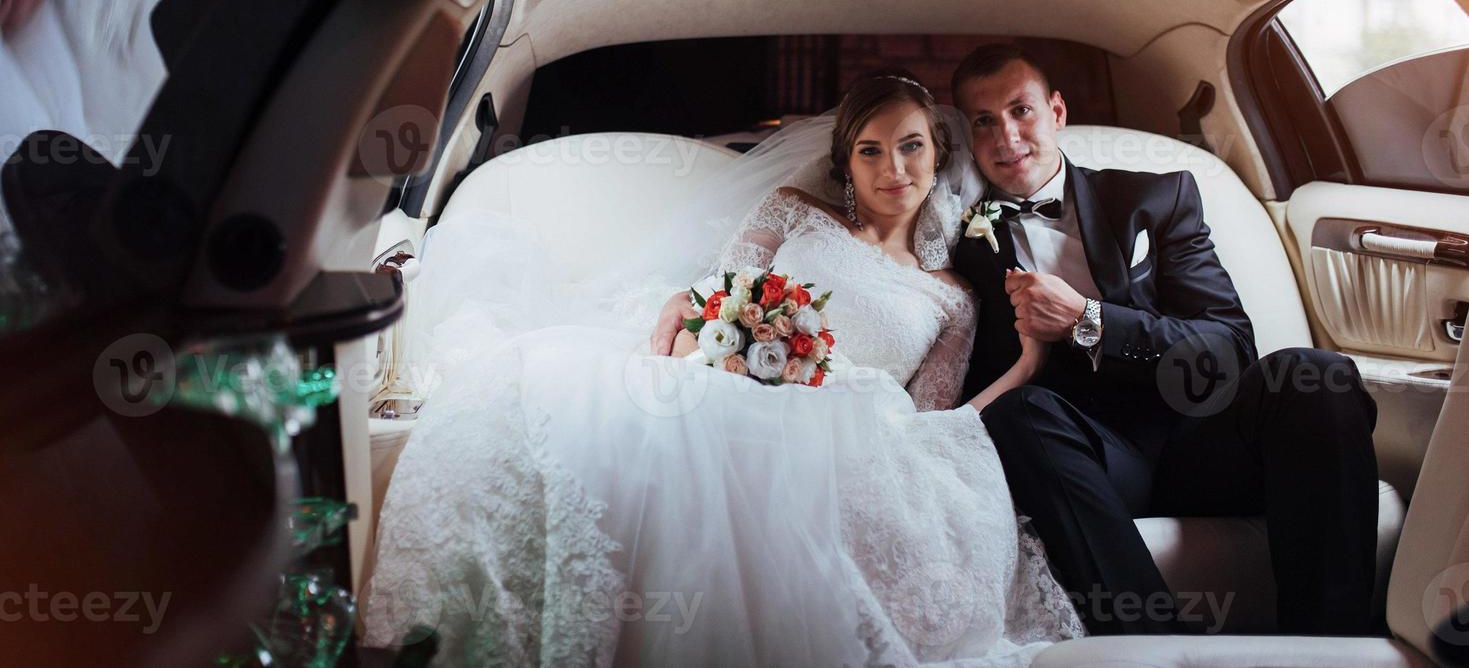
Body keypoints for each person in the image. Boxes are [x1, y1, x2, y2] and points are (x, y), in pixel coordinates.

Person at [364, 72, 1084, 664]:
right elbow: (712, 300)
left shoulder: (951, 297)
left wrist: (1028, 361)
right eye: (870, 151)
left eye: (910, 147)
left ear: (936, 154)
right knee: (559, 391)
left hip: (850, 433)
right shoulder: (794, 211)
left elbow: (929, 420)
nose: (892, 169)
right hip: (723, 382)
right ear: (845, 162)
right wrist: (723, 359)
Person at [949, 42, 1380, 636]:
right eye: (984, 121)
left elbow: (1229, 347)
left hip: (1200, 443)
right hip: (1080, 461)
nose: (1007, 136)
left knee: (1318, 375)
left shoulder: (1155, 197)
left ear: (1057, 111)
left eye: (1021, 111)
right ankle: (1158, 648)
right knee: (1020, 413)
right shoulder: (960, 243)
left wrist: (1090, 319)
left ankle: (1333, 647)